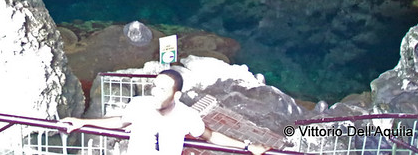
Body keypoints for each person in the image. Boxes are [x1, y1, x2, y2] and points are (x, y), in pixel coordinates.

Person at [63, 70, 270, 155]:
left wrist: (248, 145)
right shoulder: (139, 104)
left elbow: (210, 135)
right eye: (154, 86)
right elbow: (119, 122)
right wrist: (83, 122)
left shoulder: (187, 115)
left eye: (163, 90)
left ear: (176, 96)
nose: (154, 93)